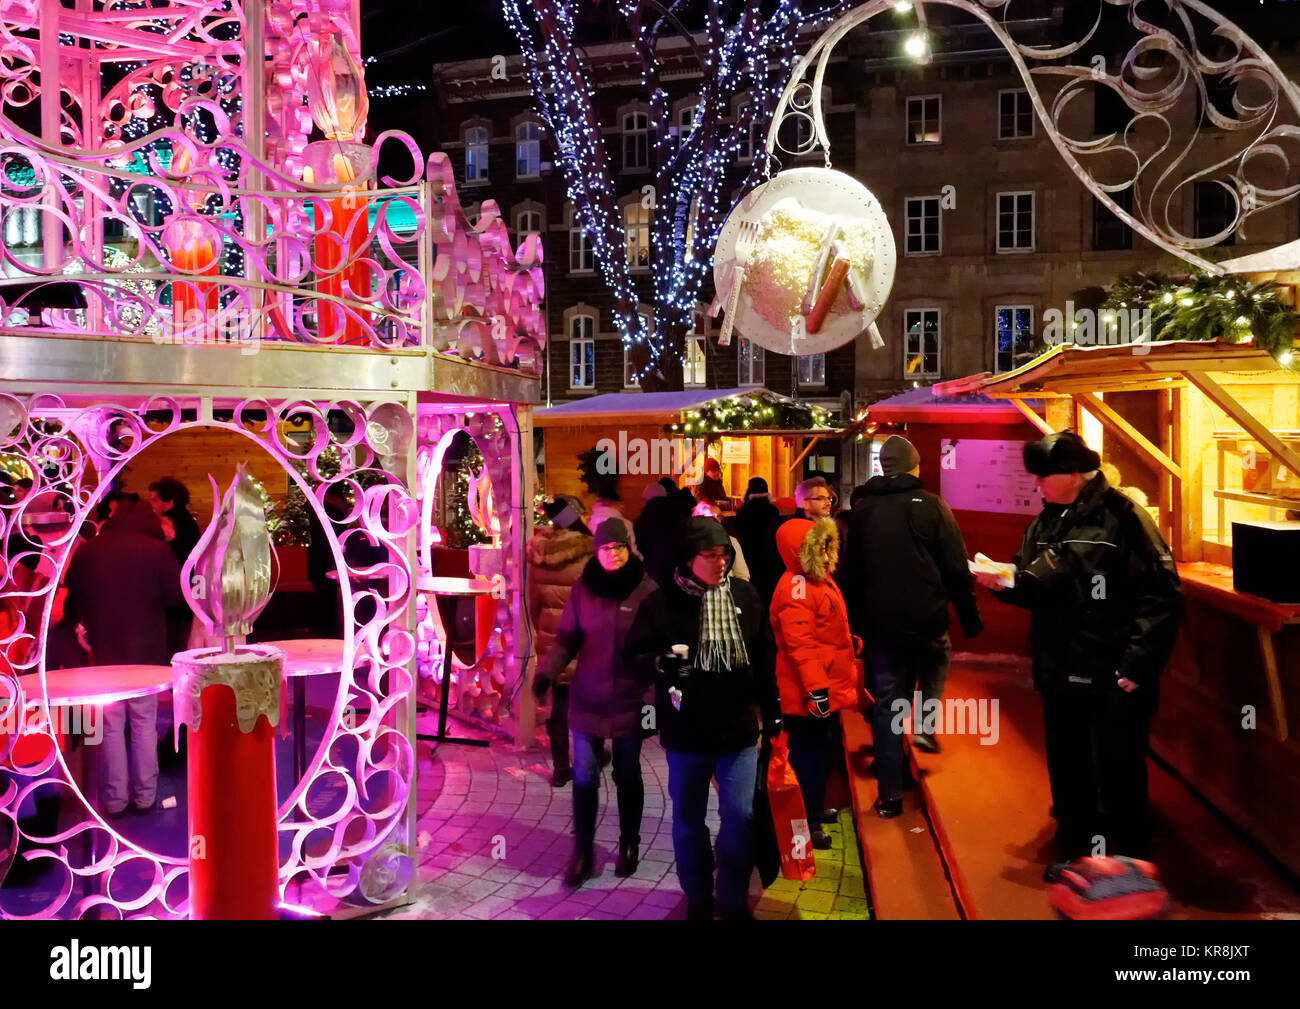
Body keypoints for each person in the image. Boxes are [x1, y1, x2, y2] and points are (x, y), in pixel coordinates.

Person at [974, 432, 1181, 879]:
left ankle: (1127, 862)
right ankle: (1075, 850)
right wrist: (1005, 581)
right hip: (1058, 666)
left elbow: (1162, 594)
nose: (1037, 486)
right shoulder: (1045, 522)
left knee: (1118, 765)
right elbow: (1034, 585)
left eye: (1044, 477)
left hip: (1112, 671)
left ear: (1073, 475)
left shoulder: (1126, 518)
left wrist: (1137, 663)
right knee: (1068, 763)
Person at [626, 517, 779, 920]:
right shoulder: (660, 605)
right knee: (689, 820)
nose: (720, 563)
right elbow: (632, 660)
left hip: (738, 732)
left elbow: (765, 658)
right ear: (688, 558)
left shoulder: (745, 597)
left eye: (724, 555)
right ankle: (696, 895)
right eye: (710, 556)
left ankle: (731, 899)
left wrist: (775, 714)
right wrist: (662, 663)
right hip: (686, 734)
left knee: (740, 817)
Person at [844, 435, 982, 817]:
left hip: (881, 628)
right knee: (937, 660)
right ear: (915, 465)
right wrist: (970, 620)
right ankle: (924, 721)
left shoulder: (863, 510)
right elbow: (957, 567)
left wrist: (855, 628)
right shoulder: (933, 506)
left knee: (887, 705)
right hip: (927, 619)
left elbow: (851, 574)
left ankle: (890, 797)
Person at [531, 519, 657, 886]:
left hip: (631, 700)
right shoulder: (583, 589)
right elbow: (566, 639)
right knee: (585, 776)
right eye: (605, 549)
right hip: (588, 699)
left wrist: (651, 701)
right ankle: (582, 851)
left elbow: (657, 649)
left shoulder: (646, 590)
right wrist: (547, 672)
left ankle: (629, 842)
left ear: (627, 549)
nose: (613, 554)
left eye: (618, 547)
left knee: (627, 773)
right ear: (596, 551)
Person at [62, 497, 184, 815]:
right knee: (144, 723)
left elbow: (71, 595)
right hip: (146, 652)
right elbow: (176, 597)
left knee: (111, 724)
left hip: (104, 648)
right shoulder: (156, 550)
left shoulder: (90, 549)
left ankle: (114, 800)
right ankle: (145, 796)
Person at [769, 516, 861, 849]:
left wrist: (848, 643)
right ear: (800, 550)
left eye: (826, 544)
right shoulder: (797, 588)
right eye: (816, 546)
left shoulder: (817, 580)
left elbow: (825, 631)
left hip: (823, 688)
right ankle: (803, 826)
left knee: (821, 754)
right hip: (806, 696)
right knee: (807, 759)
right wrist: (817, 691)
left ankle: (815, 810)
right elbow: (801, 647)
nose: (824, 551)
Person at [525, 496, 594, 786]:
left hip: (551, 640)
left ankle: (561, 766)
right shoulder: (589, 554)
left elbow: (532, 603)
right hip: (585, 640)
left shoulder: (539, 552)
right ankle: (590, 759)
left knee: (559, 703)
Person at [735, 477, 784, 609]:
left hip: (749, 550)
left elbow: (738, 528)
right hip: (768, 551)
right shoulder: (773, 511)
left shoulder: (745, 510)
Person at [149, 477, 201, 566]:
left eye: (154, 500)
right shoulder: (186, 518)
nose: (151, 504)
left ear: (169, 501)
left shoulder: (170, 521)